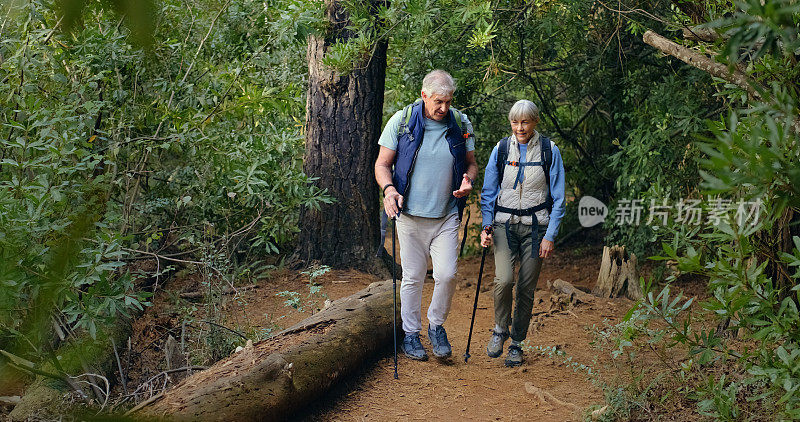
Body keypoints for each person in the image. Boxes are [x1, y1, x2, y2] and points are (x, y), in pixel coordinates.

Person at [374, 70, 478, 361]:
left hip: (446, 215)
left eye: (448, 101)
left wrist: (468, 180)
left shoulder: (460, 122)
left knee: (447, 275)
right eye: (438, 101)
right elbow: (382, 164)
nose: (443, 108)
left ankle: (436, 326)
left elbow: (471, 164)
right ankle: (410, 334)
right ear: (424, 96)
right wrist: (389, 190)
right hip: (409, 216)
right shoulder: (402, 121)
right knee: (413, 276)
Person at [479, 99, 565, 367]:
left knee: (526, 288)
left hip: (536, 227)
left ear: (535, 121)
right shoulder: (502, 149)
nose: (520, 127)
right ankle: (499, 329)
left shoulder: (550, 150)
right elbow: (489, 191)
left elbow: (559, 199)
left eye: (525, 121)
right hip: (504, 224)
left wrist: (550, 235)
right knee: (504, 280)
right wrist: (486, 224)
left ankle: (516, 343)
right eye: (515, 122)